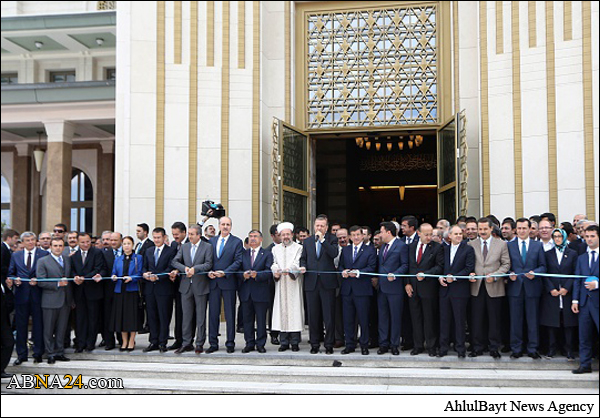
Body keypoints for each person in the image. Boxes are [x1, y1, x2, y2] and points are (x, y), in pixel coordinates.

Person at [468, 218, 511, 359]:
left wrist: (496, 275)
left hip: (495, 286)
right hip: (476, 286)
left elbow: (506, 264)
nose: (482, 232)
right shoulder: (470, 244)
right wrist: (470, 274)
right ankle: (477, 347)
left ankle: (494, 347)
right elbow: (468, 263)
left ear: (491, 229)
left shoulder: (502, 244)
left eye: (485, 229)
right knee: (477, 319)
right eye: (480, 229)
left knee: (494, 319)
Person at [507, 218, 547, 359]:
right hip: (515, 288)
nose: (522, 231)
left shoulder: (537, 246)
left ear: (530, 229)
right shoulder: (509, 246)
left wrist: (535, 273)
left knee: (532, 320)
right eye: (519, 228)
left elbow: (543, 266)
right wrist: (509, 275)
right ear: (515, 230)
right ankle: (516, 348)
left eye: (524, 228)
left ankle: (532, 348)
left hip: (532, 287)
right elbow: (506, 266)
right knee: (515, 320)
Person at [170, 224, 213, 355]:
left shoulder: (207, 247)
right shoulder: (184, 246)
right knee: (186, 316)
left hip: (200, 286)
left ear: (199, 235)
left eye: (192, 234)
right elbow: (175, 261)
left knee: (200, 317)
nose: (189, 236)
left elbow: (208, 264)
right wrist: (185, 269)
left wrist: (196, 269)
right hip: (185, 286)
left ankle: (199, 343)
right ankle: (186, 342)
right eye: (189, 234)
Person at [300, 214, 339, 355]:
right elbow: (303, 258)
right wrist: (302, 266)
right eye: (317, 225)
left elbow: (334, 254)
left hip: (327, 283)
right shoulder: (308, 241)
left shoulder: (332, 239)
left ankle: (329, 344)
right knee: (313, 315)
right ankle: (314, 343)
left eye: (322, 226)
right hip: (311, 283)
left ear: (327, 227)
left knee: (328, 316)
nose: (319, 228)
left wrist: (323, 241)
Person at [9, 232, 48, 365]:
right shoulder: (16, 255)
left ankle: (38, 353)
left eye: (32, 240)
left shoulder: (43, 254)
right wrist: (16, 281)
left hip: (38, 294)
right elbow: (11, 273)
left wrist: (39, 280)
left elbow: (47, 274)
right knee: (21, 326)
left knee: (38, 325)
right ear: (22, 242)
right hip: (21, 295)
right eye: (27, 240)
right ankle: (21, 354)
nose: (30, 242)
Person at [405, 223, 444, 357]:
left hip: (428, 288)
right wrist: (407, 283)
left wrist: (426, 274)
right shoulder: (411, 247)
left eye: (431, 234)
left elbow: (439, 267)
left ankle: (431, 346)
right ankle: (418, 345)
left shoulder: (437, 247)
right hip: (413, 288)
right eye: (426, 234)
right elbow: (408, 267)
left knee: (429, 318)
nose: (429, 237)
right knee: (415, 318)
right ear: (419, 233)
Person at [338, 226, 377, 355]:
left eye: (358, 235)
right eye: (353, 235)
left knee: (363, 319)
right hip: (347, 290)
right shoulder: (346, 250)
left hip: (362, 290)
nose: (355, 237)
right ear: (350, 237)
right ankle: (350, 344)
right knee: (348, 319)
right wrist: (343, 271)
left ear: (362, 236)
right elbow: (341, 266)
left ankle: (364, 345)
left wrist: (359, 273)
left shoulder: (370, 250)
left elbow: (372, 268)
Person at [438, 225, 475, 358]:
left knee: (459, 320)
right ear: (450, 236)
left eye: (460, 233)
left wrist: (454, 277)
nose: (459, 236)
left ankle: (460, 349)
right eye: (456, 234)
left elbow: (469, 268)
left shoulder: (468, 249)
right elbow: (441, 267)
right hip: (445, 290)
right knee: (444, 320)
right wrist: (440, 277)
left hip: (460, 290)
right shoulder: (444, 249)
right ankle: (443, 347)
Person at [207, 217, 243, 354]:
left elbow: (238, 261)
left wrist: (225, 272)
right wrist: (208, 272)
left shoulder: (237, 242)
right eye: (223, 224)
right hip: (214, 283)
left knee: (229, 314)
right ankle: (213, 343)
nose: (225, 227)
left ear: (231, 226)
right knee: (213, 314)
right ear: (219, 226)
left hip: (228, 282)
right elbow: (208, 260)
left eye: (228, 224)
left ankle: (230, 343)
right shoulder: (211, 241)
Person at [540, 228, 578, 360]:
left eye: (559, 236)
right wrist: (551, 289)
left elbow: (575, 272)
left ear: (564, 237)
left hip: (567, 293)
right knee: (552, 322)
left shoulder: (572, 253)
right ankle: (551, 349)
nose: (557, 239)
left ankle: (569, 350)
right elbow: (545, 273)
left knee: (568, 322)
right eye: (555, 236)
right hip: (553, 293)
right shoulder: (547, 253)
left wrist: (567, 287)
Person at [37, 237, 73, 364]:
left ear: (63, 247)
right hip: (50, 300)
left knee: (61, 329)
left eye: (60, 245)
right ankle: (50, 353)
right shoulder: (42, 261)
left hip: (65, 301)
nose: (58, 248)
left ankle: (59, 352)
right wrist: (57, 284)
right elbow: (40, 281)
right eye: (55, 245)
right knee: (48, 329)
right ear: (51, 247)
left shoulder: (67, 259)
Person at [271, 223, 305, 352]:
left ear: (292, 235)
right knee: (281, 313)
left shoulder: (298, 248)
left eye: (288, 234)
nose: (286, 237)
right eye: (283, 234)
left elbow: (298, 262)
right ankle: (284, 342)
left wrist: (291, 270)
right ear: (280, 236)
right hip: (281, 284)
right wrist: (276, 270)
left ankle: (295, 342)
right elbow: (274, 263)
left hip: (293, 283)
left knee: (294, 312)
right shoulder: (275, 249)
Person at [238, 230, 273, 354]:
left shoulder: (267, 254)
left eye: (255, 237)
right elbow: (237, 270)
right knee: (247, 320)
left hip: (261, 292)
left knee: (261, 320)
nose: (253, 239)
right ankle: (249, 343)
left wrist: (257, 275)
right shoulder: (243, 254)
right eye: (251, 236)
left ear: (261, 239)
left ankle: (260, 344)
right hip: (246, 292)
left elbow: (269, 272)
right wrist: (243, 276)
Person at [377, 222, 409, 356]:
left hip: (395, 288)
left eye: (381, 231)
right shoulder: (383, 246)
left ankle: (394, 344)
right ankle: (383, 343)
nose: (380, 234)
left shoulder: (401, 246)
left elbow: (405, 264)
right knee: (383, 317)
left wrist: (395, 274)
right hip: (382, 288)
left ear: (388, 232)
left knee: (395, 317)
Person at [142, 228, 177, 353]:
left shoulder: (171, 251)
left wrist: (159, 276)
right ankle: (153, 341)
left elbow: (170, 267)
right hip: (150, 289)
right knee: (151, 317)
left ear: (164, 237)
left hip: (164, 289)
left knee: (163, 316)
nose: (156, 240)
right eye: (154, 237)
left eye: (158, 237)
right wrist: (145, 274)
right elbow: (144, 266)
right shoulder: (149, 250)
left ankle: (163, 342)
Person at [71, 232, 107, 353]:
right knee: (80, 319)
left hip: (93, 291)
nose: (86, 244)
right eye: (83, 242)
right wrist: (76, 277)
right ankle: (80, 343)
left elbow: (98, 268)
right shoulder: (74, 256)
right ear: (78, 242)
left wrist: (84, 278)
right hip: (79, 292)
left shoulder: (97, 253)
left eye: (88, 241)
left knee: (93, 319)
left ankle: (90, 343)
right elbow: (71, 271)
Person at [571, 225, 599, 374]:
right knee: (584, 335)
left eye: (592, 236)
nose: (589, 239)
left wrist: (598, 284)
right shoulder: (582, 258)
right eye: (587, 236)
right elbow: (577, 280)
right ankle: (585, 364)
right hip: (584, 303)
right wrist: (575, 300)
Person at [110, 236, 144, 352]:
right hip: (120, 290)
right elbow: (113, 272)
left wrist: (131, 278)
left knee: (132, 317)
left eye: (128, 243)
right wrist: (114, 277)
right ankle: (124, 341)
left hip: (132, 290)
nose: (126, 246)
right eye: (124, 244)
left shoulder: (138, 258)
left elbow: (140, 273)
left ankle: (131, 340)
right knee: (121, 317)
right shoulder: (118, 259)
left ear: (132, 245)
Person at [170, 221, 190, 351]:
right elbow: (172, 261)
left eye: (177, 235)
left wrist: (179, 269)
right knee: (178, 313)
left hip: (189, 283)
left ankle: (187, 340)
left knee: (187, 314)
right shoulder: (173, 245)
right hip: (175, 284)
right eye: (173, 234)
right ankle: (178, 339)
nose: (175, 237)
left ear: (184, 233)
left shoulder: (190, 243)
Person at [102, 232, 123, 351]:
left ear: (120, 240)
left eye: (115, 240)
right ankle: (109, 341)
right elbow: (103, 269)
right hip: (108, 290)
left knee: (121, 315)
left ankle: (122, 339)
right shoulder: (105, 254)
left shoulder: (126, 252)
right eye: (111, 240)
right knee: (108, 316)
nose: (113, 242)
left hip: (123, 289)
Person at [266, 224, 281, 346]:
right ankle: (274, 334)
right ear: (272, 236)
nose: (281, 236)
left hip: (288, 283)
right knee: (273, 309)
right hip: (272, 284)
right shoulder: (268, 251)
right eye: (278, 234)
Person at [1, 274, 14, 379]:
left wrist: (9, 287)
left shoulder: (2, 279)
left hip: (3, 319)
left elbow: (8, 297)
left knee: (9, 342)